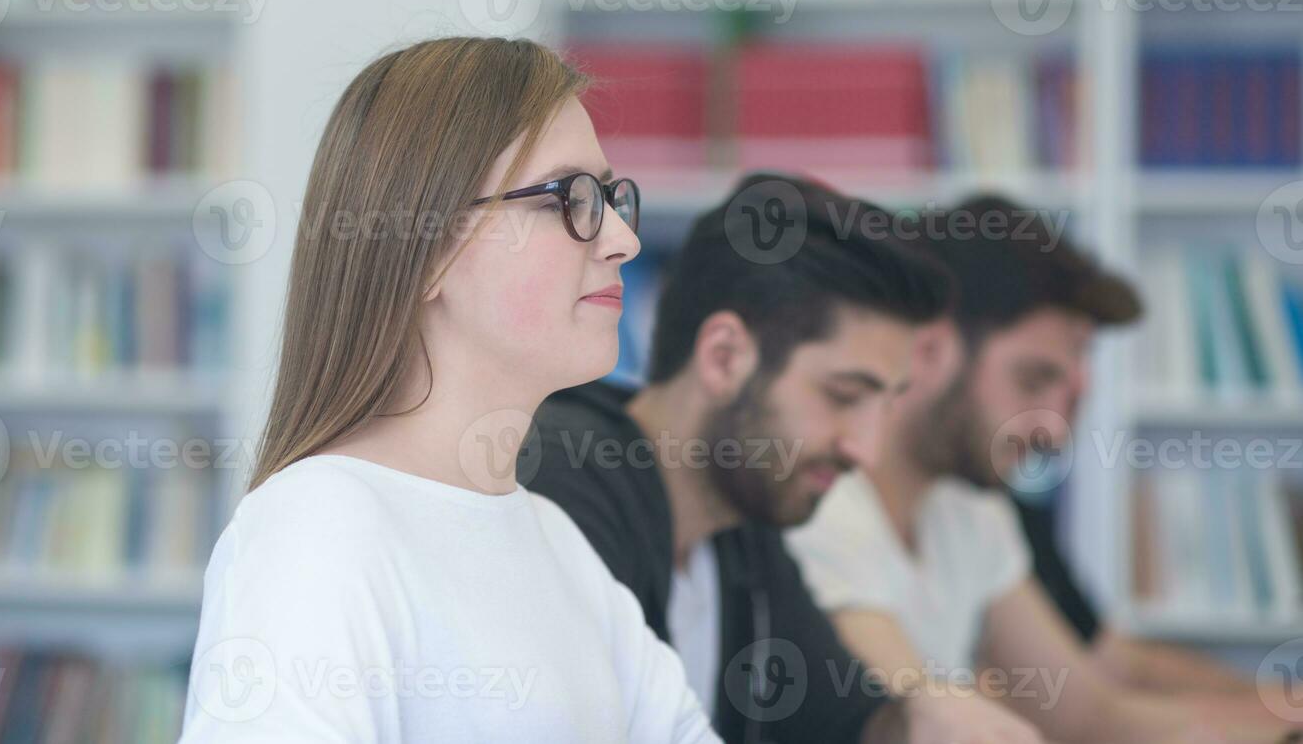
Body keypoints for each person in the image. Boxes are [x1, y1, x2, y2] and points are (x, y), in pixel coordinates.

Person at [179, 37, 719, 742]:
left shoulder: (558, 544)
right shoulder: (314, 531)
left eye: (613, 198)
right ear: (425, 251)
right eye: (571, 198)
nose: (621, 238)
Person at [522, 174, 1047, 744]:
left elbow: (851, 726)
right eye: (843, 396)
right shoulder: (565, 485)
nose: (864, 449)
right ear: (724, 358)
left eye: (886, 405)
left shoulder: (743, 522)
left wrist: (924, 717)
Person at [786, 196, 1293, 744]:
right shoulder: (823, 505)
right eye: (1031, 381)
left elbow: (1087, 715)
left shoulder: (971, 506)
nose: (1055, 431)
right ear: (929, 351)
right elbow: (933, 728)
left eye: (1067, 396)